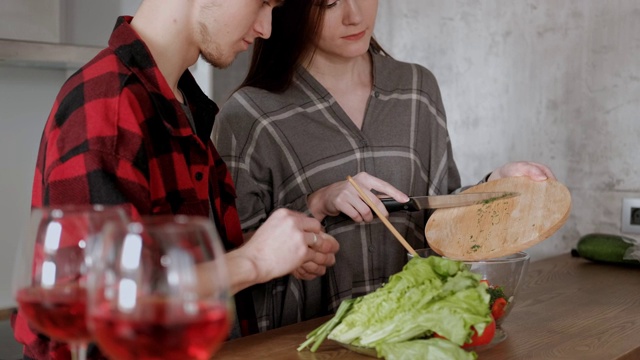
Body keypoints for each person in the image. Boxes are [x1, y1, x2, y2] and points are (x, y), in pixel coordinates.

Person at [12, 0, 340, 359]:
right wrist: (254, 262)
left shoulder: (182, 102)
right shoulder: (110, 105)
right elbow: (102, 302)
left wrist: (272, 251)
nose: (266, 28)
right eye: (261, 2)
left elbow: (161, 265)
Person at [212, 0, 555, 333]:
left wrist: (493, 187)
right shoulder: (248, 117)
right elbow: (231, 264)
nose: (355, 15)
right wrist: (315, 205)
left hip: (420, 334)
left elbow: (438, 219)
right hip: (308, 341)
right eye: (328, 3)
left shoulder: (418, 90)